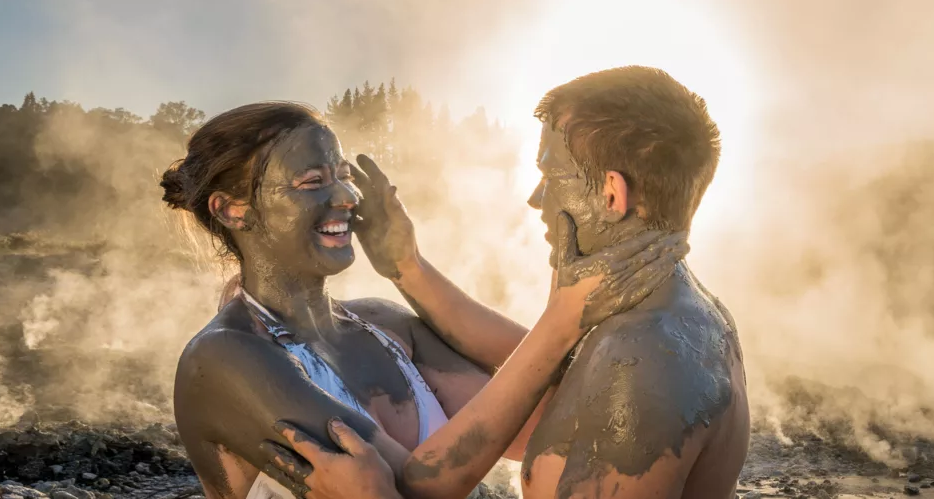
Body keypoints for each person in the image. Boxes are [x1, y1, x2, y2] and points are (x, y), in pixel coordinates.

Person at [162, 101, 686, 499]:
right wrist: (562, 322)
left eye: (343, 175)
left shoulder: (384, 324)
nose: (345, 197)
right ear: (232, 209)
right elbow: (419, 486)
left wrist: (407, 267)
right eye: (312, 181)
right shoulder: (226, 357)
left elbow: (554, 415)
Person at [275, 66, 750, 498]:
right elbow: (540, 361)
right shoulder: (674, 308)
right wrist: (407, 266)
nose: (535, 198)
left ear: (610, 194)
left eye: (550, 174)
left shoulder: (639, 361)